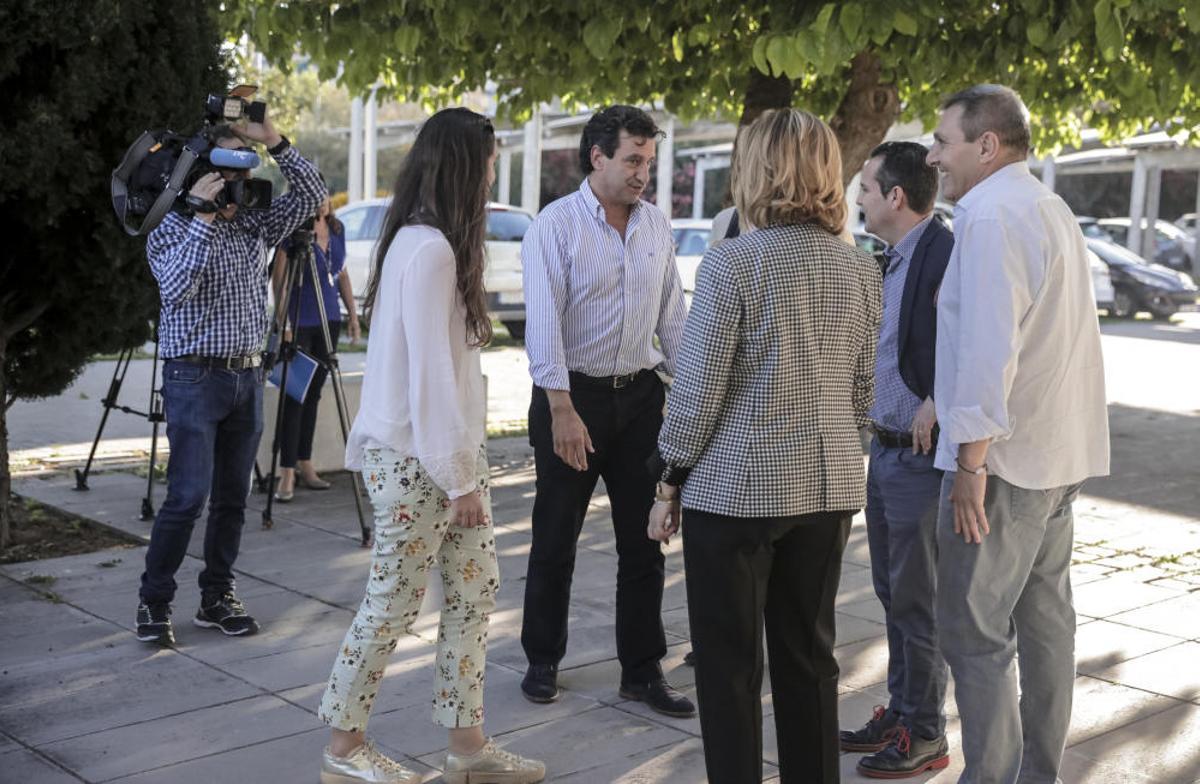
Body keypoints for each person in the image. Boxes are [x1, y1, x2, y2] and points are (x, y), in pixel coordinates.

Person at [649, 108, 882, 784]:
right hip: (827, 486)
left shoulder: (732, 263)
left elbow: (697, 393)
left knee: (729, 668)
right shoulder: (861, 268)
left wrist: (668, 480)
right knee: (810, 659)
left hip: (736, 493)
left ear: (758, 171)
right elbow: (863, 392)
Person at [317, 108, 544, 784]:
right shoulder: (430, 250)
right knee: (392, 603)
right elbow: (430, 378)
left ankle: (467, 748)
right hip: (421, 461)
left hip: (444, 457)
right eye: (489, 166)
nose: (492, 179)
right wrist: (460, 479)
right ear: (464, 169)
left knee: (475, 594)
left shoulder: (426, 244)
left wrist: (463, 469)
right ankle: (343, 748)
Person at [926, 84, 1109, 784]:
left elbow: (988, 348)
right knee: (1045, 626)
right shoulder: (1046, 206)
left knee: (974, 632)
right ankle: (1037, 775)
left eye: (942, 141)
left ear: (986, 145)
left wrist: (970, 465)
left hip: (1003, 464)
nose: (933, 157)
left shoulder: (991, 214)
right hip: (1056, 455)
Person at [518, 105, 694, 719]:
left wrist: (693, 393)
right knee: (555, 538)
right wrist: (561, 408)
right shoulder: (555, 225)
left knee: (644, 541)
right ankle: (542, 660)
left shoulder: (656, 225)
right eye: (633, 160)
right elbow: (543, 325)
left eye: (649, 161)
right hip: (572, 398)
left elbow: (672, 316)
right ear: (597, 157)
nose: (643, 173)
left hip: (641, 398)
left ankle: (642, 672)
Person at [136, 106, 326, 646]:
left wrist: (275, 142)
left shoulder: (255, 223)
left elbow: (313, 195)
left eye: (246, 169)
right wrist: (201, 217)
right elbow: (177, 290)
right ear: (200, 175)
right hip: (193, 378)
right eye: (229, 171)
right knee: (187, 497)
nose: (240, 182)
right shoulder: (169, 226)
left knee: (232, 499)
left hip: (247, 377)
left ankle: (217, 597)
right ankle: (154, 602)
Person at [840, 142, 953, 779]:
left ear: (895, 196)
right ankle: (904, 711)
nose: (858, 198)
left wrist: (939, 398)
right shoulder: (892, 258)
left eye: (865, 187)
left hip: (918, 457)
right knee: (891, 595)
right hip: (883, 451)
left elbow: (975, 341)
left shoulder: (944, 253)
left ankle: (926, 733)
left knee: (917, 602)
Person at [270, 196, 362, 502]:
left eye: (324, 196)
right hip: (300, 320)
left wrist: (352, 315)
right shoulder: (293, 232)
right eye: (315, 197)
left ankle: (305, 462)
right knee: (295, 394)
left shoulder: (337, 228)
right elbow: (279, 281)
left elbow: (342, 274)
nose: (321, 203)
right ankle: (287, 470)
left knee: (313, 395)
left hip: (328, 320)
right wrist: (283, 323)